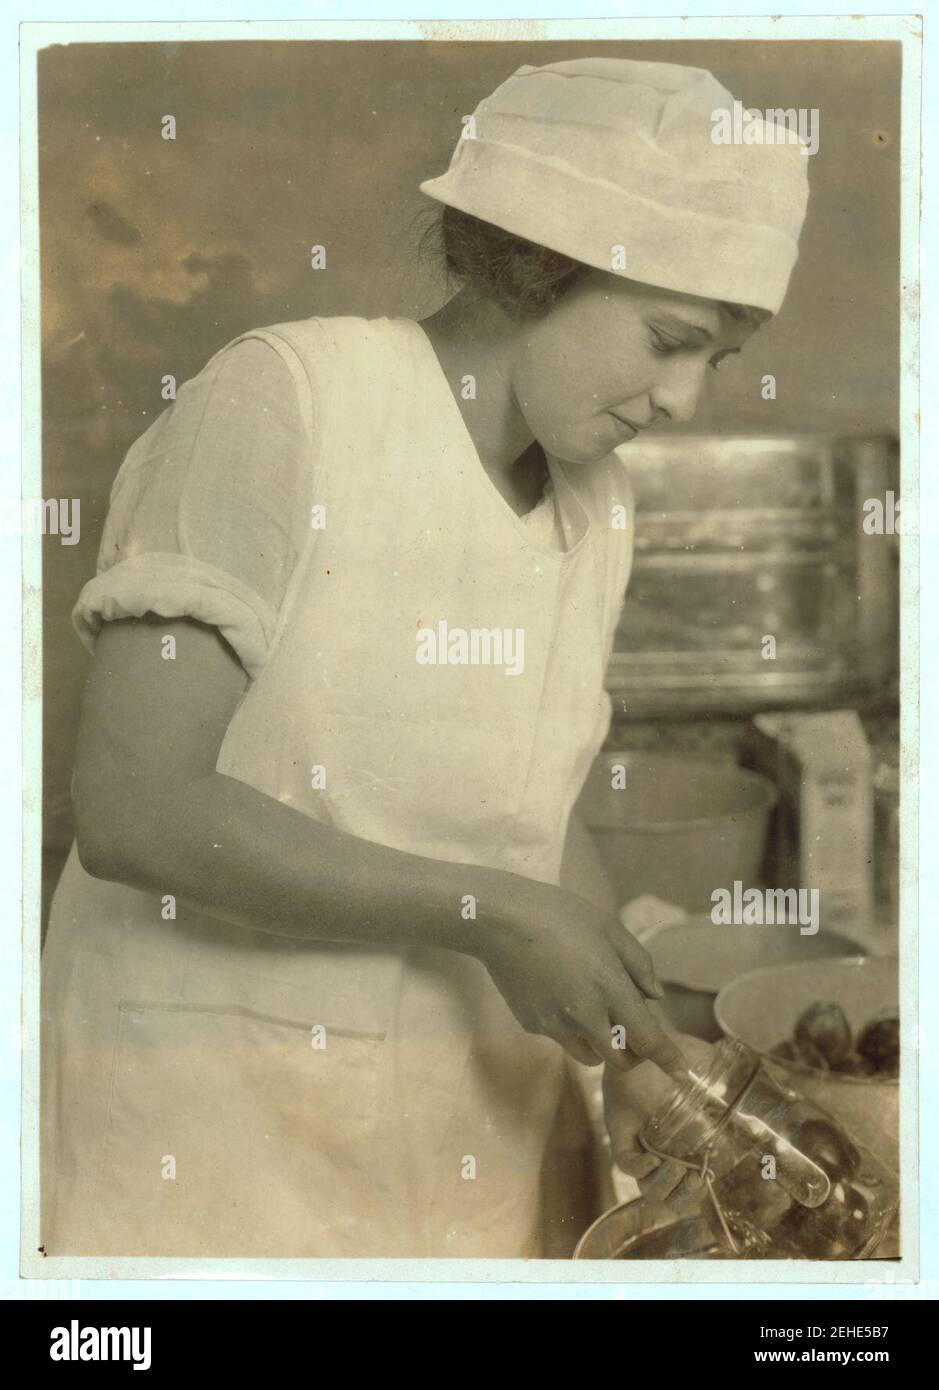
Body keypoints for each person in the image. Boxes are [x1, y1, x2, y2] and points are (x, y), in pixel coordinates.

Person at [40, 57, 809, 1258]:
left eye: (714, 357)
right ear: (536, 260)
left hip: (467, 1127)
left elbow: (532, 813)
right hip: (225, 1132)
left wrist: (632, 1051)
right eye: (673, 340)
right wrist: (489, 915)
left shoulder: (597, 503)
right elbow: (133, 804)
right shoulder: (286, 402)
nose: (685, 399)